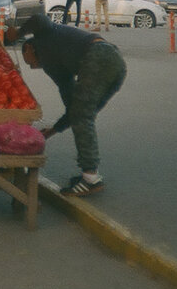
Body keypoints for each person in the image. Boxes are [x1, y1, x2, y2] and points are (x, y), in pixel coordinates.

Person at [9, 13, 126, 197]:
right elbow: (72, 107)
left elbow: (39, 19)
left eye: (28, 60)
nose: (33, 66)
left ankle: (91, 178)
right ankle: (89, 175)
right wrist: (54, 130)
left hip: (98, 56)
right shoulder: (54, 66)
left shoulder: (44, 35)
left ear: (30, 47)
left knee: (83, 117)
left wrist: (17, 34)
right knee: (83, 115)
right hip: (115, 62)